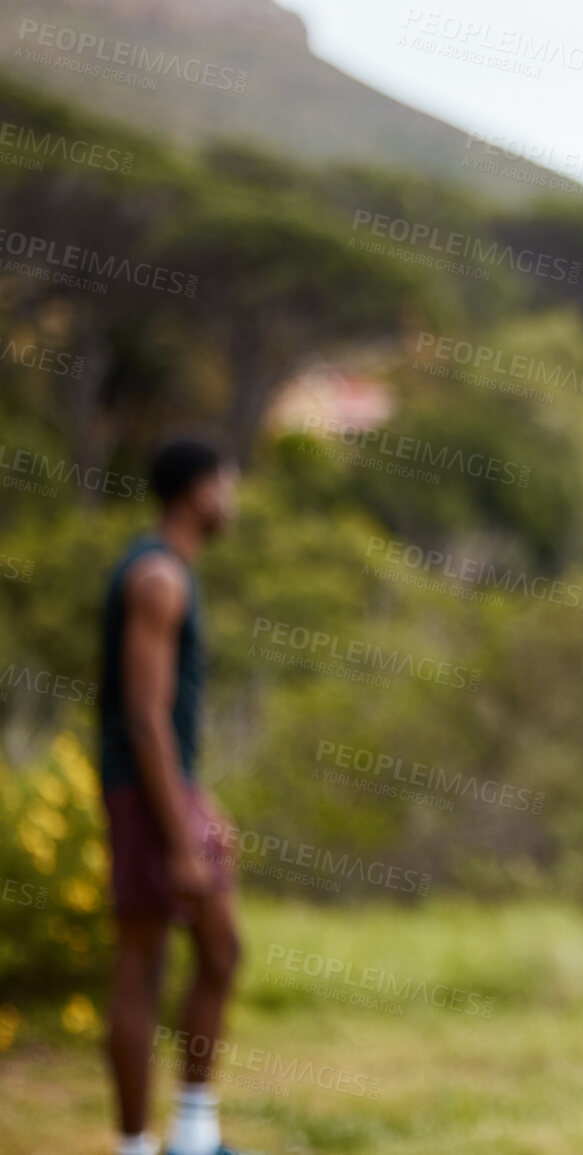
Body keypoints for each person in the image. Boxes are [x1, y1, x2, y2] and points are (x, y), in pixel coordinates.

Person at [98, 438, 246, 1155]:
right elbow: (145, 715)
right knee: (143, 962)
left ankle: (192, 1135)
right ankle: (136, 1146)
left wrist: (199, 803)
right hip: (142, 797)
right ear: (199, 491)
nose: (233, 499)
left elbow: (169, 724)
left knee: (220, 950)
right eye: (228, 483)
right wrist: (181, 839)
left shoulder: (172, 572)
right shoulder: (158, 577)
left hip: (166, 791)